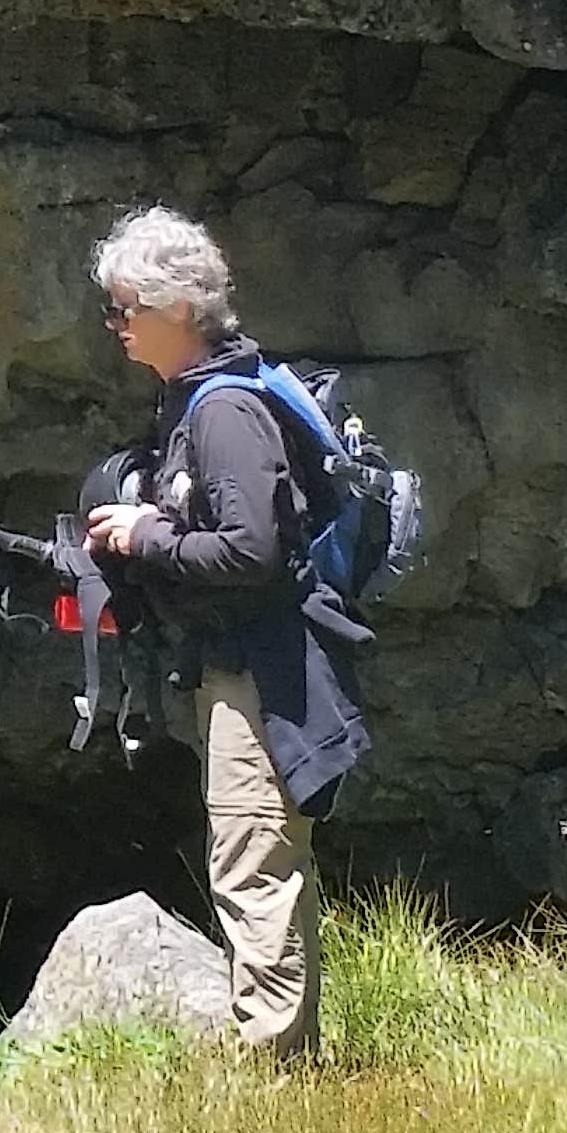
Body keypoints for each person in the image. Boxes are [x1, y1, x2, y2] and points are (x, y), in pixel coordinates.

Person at [78, 205, 367, 1061]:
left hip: (263, 668)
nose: (114, 327)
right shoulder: (203, 399)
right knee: (256, 855)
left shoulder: (225, 411)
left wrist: (144, 536)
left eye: (124, 310)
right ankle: (283, 1057)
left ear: (176, 309)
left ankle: (277, 1075)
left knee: (253, 864)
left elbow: (253, 553)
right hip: (239, 663)